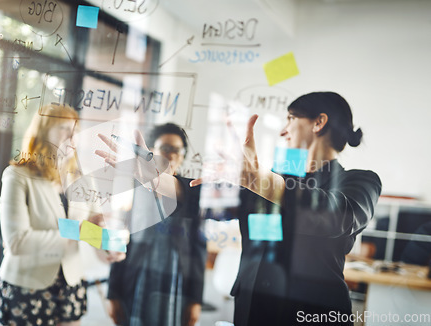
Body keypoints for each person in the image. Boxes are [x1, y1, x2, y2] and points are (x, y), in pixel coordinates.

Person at [95, 92, 382, 325]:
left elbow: (335, 216)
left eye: (291, 118)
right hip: (254, 310)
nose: (284, 130)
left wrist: (258, 180)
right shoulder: (269, 181)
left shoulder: (360, 181)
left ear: (319, 122)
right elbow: (199, 197)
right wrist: (155, 180)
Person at [0, 104, 125, 326]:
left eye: (75, 129)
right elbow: (17, 242)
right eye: (64, 128)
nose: (73, 136)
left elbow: (90, 231)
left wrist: (109, 246)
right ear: (43, 133)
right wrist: (78, 231)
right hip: (27, 286)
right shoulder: (17, 176)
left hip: (70, 284)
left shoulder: (83, 179)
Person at [105, 123, 206, 326]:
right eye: (165, 148)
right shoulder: (135, 190)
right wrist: (112, 292)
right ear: (151, 152)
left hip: (175, 282)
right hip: (136, 277)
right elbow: (121, 239)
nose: (171, 155)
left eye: (177, 150)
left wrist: (195, 300)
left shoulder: (191, 194)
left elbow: (198, 250)